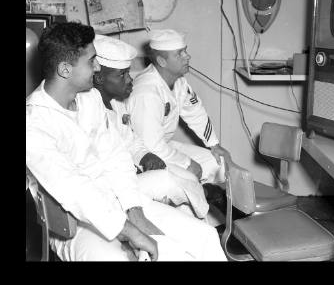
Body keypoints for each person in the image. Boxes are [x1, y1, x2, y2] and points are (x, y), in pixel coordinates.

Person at [26, 22, 226, 261]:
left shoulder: (89, 99)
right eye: (91, 61)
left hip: (117, 201)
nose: (98, 66)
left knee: (203, 237)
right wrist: (131, 231)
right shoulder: (34, 123)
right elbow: (74, 190)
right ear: (65, 69)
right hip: (75, 225)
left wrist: (135, 211)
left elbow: (116, 157)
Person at [92, 34, 208, 219]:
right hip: (107, 187)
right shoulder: (88, 110)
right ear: (98, 79)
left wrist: (145, 156)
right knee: (174, 181)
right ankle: (210, 201)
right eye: (122, 75)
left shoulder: (116, 104)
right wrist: (135, 165)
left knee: (187, 183)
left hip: (128, 173)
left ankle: (205, 217)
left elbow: (130, 140)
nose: (131, 79)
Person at [125, 29, 231, 186]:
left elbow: (195, 112)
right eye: (179, 54)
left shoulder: (179, 81)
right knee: (191, 175)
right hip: (144, 157)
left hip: (162, 146)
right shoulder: (147, 93)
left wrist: (214, 144)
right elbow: (150, 146)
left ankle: (207, 206)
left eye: (185, 51)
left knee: (218, 164)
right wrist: (186, 163)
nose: (187, 56)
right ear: (162, 61)